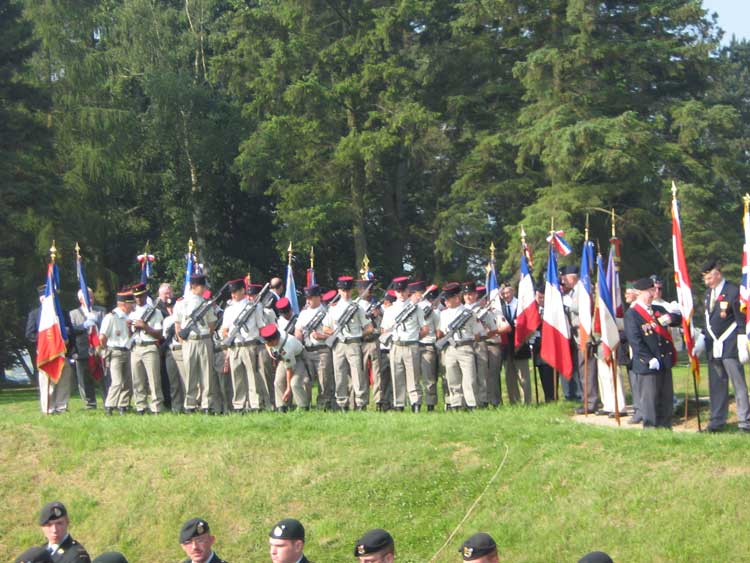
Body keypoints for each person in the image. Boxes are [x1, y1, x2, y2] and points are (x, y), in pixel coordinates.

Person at [697, 258, 750, 432]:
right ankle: (717, 421)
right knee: (716, 385)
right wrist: (701, 340)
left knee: (738, 384)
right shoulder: (708, 294)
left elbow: (741, 318)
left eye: (709, 279)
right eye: (704, 279)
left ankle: (745, 421)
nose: (706, 282)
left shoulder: (733, 291)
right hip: (713, 346)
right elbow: (708, 320)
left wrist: (742, 339)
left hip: (731, 345)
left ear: (717, 275)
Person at [624, 277, 681, 429]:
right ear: (640, 293)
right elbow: (635, 340)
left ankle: (666, 428)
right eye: (650, 291)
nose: (653, 294)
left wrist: (670, 317)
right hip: (647, 364)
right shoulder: (633, 314)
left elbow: (677, 319)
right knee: (650, 401)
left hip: (663, 361)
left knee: (666, 398)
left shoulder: (658, 310)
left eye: (654, 290)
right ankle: (651, 429)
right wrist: (648, 359)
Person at [323, 276, 373, 411]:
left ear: (352, 291)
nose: (346, 293)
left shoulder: (357, 308)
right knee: (339, 374)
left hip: (354, 343)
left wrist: (358, 335)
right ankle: (342, 403)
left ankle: (361, 403)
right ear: (338, 291)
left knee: (358, 374)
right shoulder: (333, 309)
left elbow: (369, 328)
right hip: (338, 343)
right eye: (343, 290)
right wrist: (336, 332)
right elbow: (325, 327)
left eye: (348, 290)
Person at [381, 276, 428, 411]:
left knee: (413, 378)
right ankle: (399, 404)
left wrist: (414, 337)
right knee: (397, 377)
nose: (401, 293)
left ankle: (416, 404)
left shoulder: (416, 308)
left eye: (403, 290)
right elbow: (384, 330)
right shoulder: (389, 310)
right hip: (396, 345)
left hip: (411, 345)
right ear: (394, 292)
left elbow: (425, 329)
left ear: (408, 291)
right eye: (398, 291)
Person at [174, 274, 220, 414]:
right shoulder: (182, 303)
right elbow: (178, 325)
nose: (204, 288)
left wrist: (205, 336)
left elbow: (212, 325)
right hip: (190, 341)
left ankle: (206, 404)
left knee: (207, 374)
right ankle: (190, 404)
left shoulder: (206, 303)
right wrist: (184, 342)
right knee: (190, 375)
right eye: (202, 286)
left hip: (204, 339)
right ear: (194, 286)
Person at [221, 279, 266, 412]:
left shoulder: (254, 306)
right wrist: (228, 336)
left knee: (252, 374)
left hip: (249, 343)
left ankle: (255, 403)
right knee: (237, 376)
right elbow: (224, 329)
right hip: (235, 345)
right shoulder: (229, 310)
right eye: (232, 292)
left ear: (242, 290)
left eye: (235, 291)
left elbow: (260, 326)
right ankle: (239, 404)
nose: (233, 295)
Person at [438, 282, 481, 409]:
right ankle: (456, 403)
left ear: (457, 298)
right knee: (452, 378)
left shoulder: (469, 313)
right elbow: (442, 332)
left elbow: (477, 333)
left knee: (469, 378)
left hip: (465, 347)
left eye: (448, 299)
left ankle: (471, 404)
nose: (445, 302)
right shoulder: (444, 314)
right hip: (451, 348)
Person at [295, 285, 335, 410]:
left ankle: (323, 405)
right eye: (307, 298)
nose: (308, 300)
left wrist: (321, 336)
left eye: (311, 298)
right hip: (307, 350)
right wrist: (298, 341)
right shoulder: (304, 313)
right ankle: (305, 404)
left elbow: (333, 333)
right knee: (306, 379)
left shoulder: (327, 313)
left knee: (324, 380)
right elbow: (298, 330)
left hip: (322, 350)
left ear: (318, 297)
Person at [129, 282, 165, 414]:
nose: (139, 299)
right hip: (136, 347)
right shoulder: (131, 312)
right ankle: (140, 406)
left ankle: (156, 407)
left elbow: (159, 334)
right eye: (136, 296)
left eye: (141, 296)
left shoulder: (154, 312)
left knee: (154, 380)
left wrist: (144, 326)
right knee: (137, 380)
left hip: (149, 347)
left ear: (145, 295)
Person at [68, 287, 107, 409]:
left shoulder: (101, 311)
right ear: (80, 299)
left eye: (91, 296)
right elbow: (71, 330)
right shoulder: (73, 314)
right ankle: (90, 403)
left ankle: (108, 401)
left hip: (99, 349)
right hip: (82, 349)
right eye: (87, 297)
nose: (90, 299)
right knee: (84, 379)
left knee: (103, 377)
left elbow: (106, 327)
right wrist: (83, 326)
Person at [100, 290, 135, 415]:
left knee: (127, 381)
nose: (133, 306)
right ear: (123, 304)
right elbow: (102, 337)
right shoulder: (111, 317)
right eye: (131, 304)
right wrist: (105, 350)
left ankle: (123, 405)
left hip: (127, 351)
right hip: (115, 352)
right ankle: (110, 405)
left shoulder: (129, 318)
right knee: (117, 381)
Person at [263, 321, 309, 411]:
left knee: (294, 383)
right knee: (277, 382)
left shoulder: (287, 346)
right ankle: (282, 406)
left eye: (270, 343)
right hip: (283, 359)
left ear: (275, 340)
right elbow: (266, 343)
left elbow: (289, 370)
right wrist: (270, 352)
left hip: (299, 358)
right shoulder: (273, 334)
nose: (269, 344)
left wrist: (288, 389)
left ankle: (303, 406)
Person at [500, 284, 532, 404]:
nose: (506, 295)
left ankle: (527, 402)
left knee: (523, 376)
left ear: (513, 292)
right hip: (506, 348)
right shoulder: (501, 309)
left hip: (521, 346)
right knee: (510, 377)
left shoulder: (521, 306)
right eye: (504, 294)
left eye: (508, 293)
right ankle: (514, 402)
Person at [356, 279, 385, 410]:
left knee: (377, 372)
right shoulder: (356, 305)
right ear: (360, 290)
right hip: (361, 341)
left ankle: (379, 401)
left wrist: (379, 314)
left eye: (371, 289)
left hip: (374, 340)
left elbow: (385, 322)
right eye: (367, 289)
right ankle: (362, 402)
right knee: (361, 373)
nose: (370, 292)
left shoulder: (376, 304)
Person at [415, 283, 440, 411]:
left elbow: (437, 330)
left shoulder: (431, 309)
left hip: (427, 344)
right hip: (414, 345)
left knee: (428, 378)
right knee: (415, 378)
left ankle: (430, 404)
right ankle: (417, 404)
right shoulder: (411, 308)